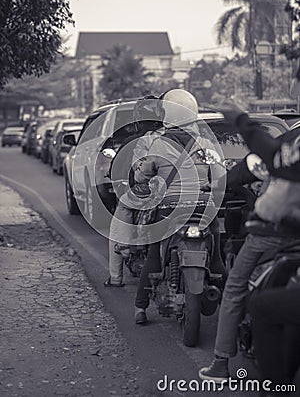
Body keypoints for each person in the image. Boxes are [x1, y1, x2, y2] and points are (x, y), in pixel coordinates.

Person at [199, 100, 300, 383]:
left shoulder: (289, 144)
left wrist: (240, 120)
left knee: (235, 287)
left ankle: (221, 363)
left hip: (271, 232)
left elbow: (260, 160)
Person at [133, 89, 227, 324]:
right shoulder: (205, 144)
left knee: (154, 255)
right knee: (216, 249)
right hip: (202, 207)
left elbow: (143, 175)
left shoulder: (158, 144)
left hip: (168, 208)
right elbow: (220, 174)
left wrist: (141, 178)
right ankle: (229, 302)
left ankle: (140, 308)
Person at [104, 96, 164, 287]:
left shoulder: (133, 141)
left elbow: (118, 169)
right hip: (175, 193)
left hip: (142, 194)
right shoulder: (171, 138)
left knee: (121, 216)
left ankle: (116, 278)